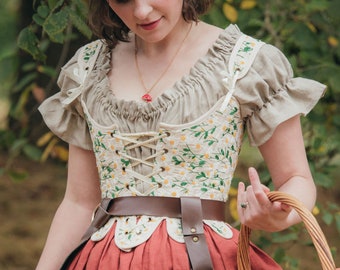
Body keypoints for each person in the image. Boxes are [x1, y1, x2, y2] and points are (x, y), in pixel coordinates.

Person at [36, 0, 326, 269]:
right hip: (105, 259)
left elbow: (296, 179)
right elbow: (79, 202)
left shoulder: (246, 63)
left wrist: (277, 215)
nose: (141, 11)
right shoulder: (87, 68)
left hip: (203, 257)